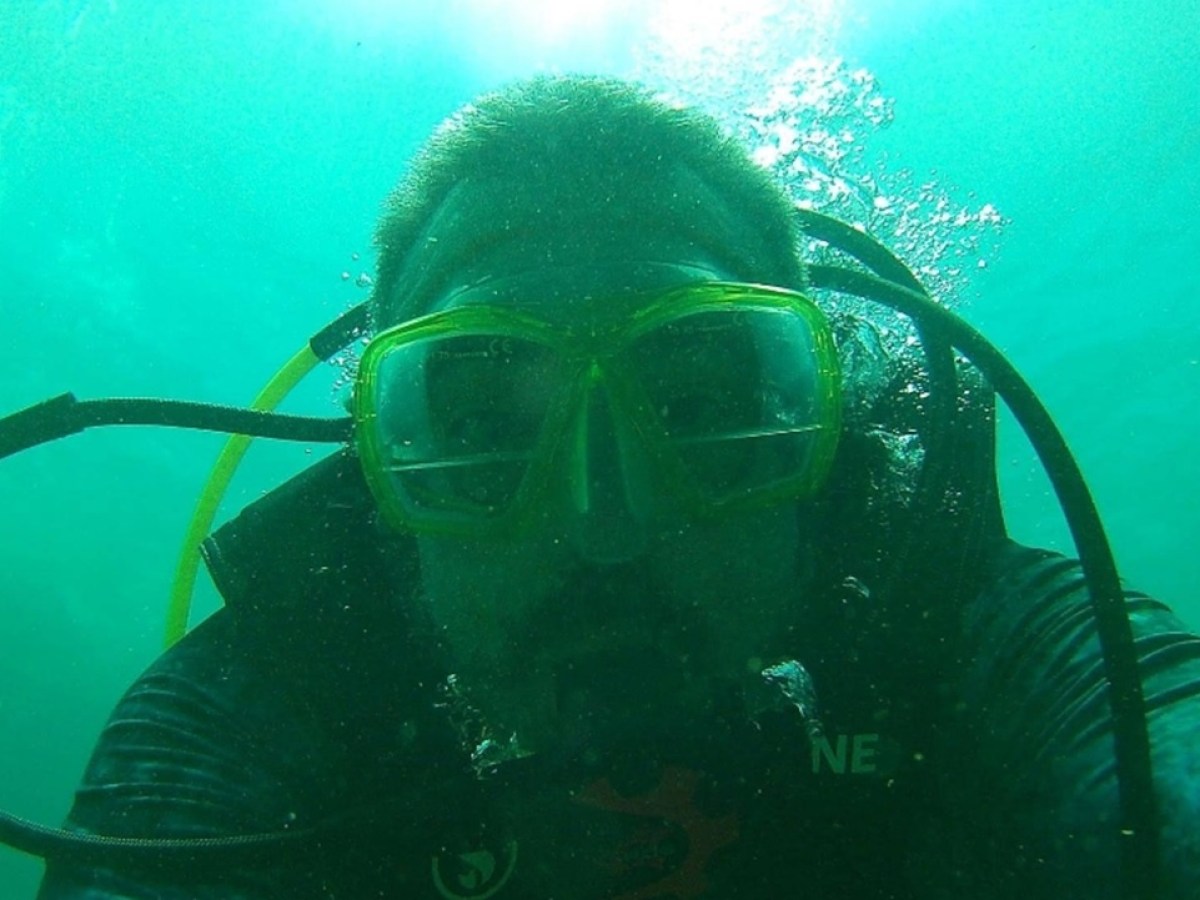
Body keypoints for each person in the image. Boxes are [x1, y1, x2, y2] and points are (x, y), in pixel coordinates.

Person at [23, 74, 1200, 899]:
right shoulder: (265, 707)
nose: (605, 529)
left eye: (692, 409)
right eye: (483, 427)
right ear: (383, 472)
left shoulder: (985, 638)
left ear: (818, 435)